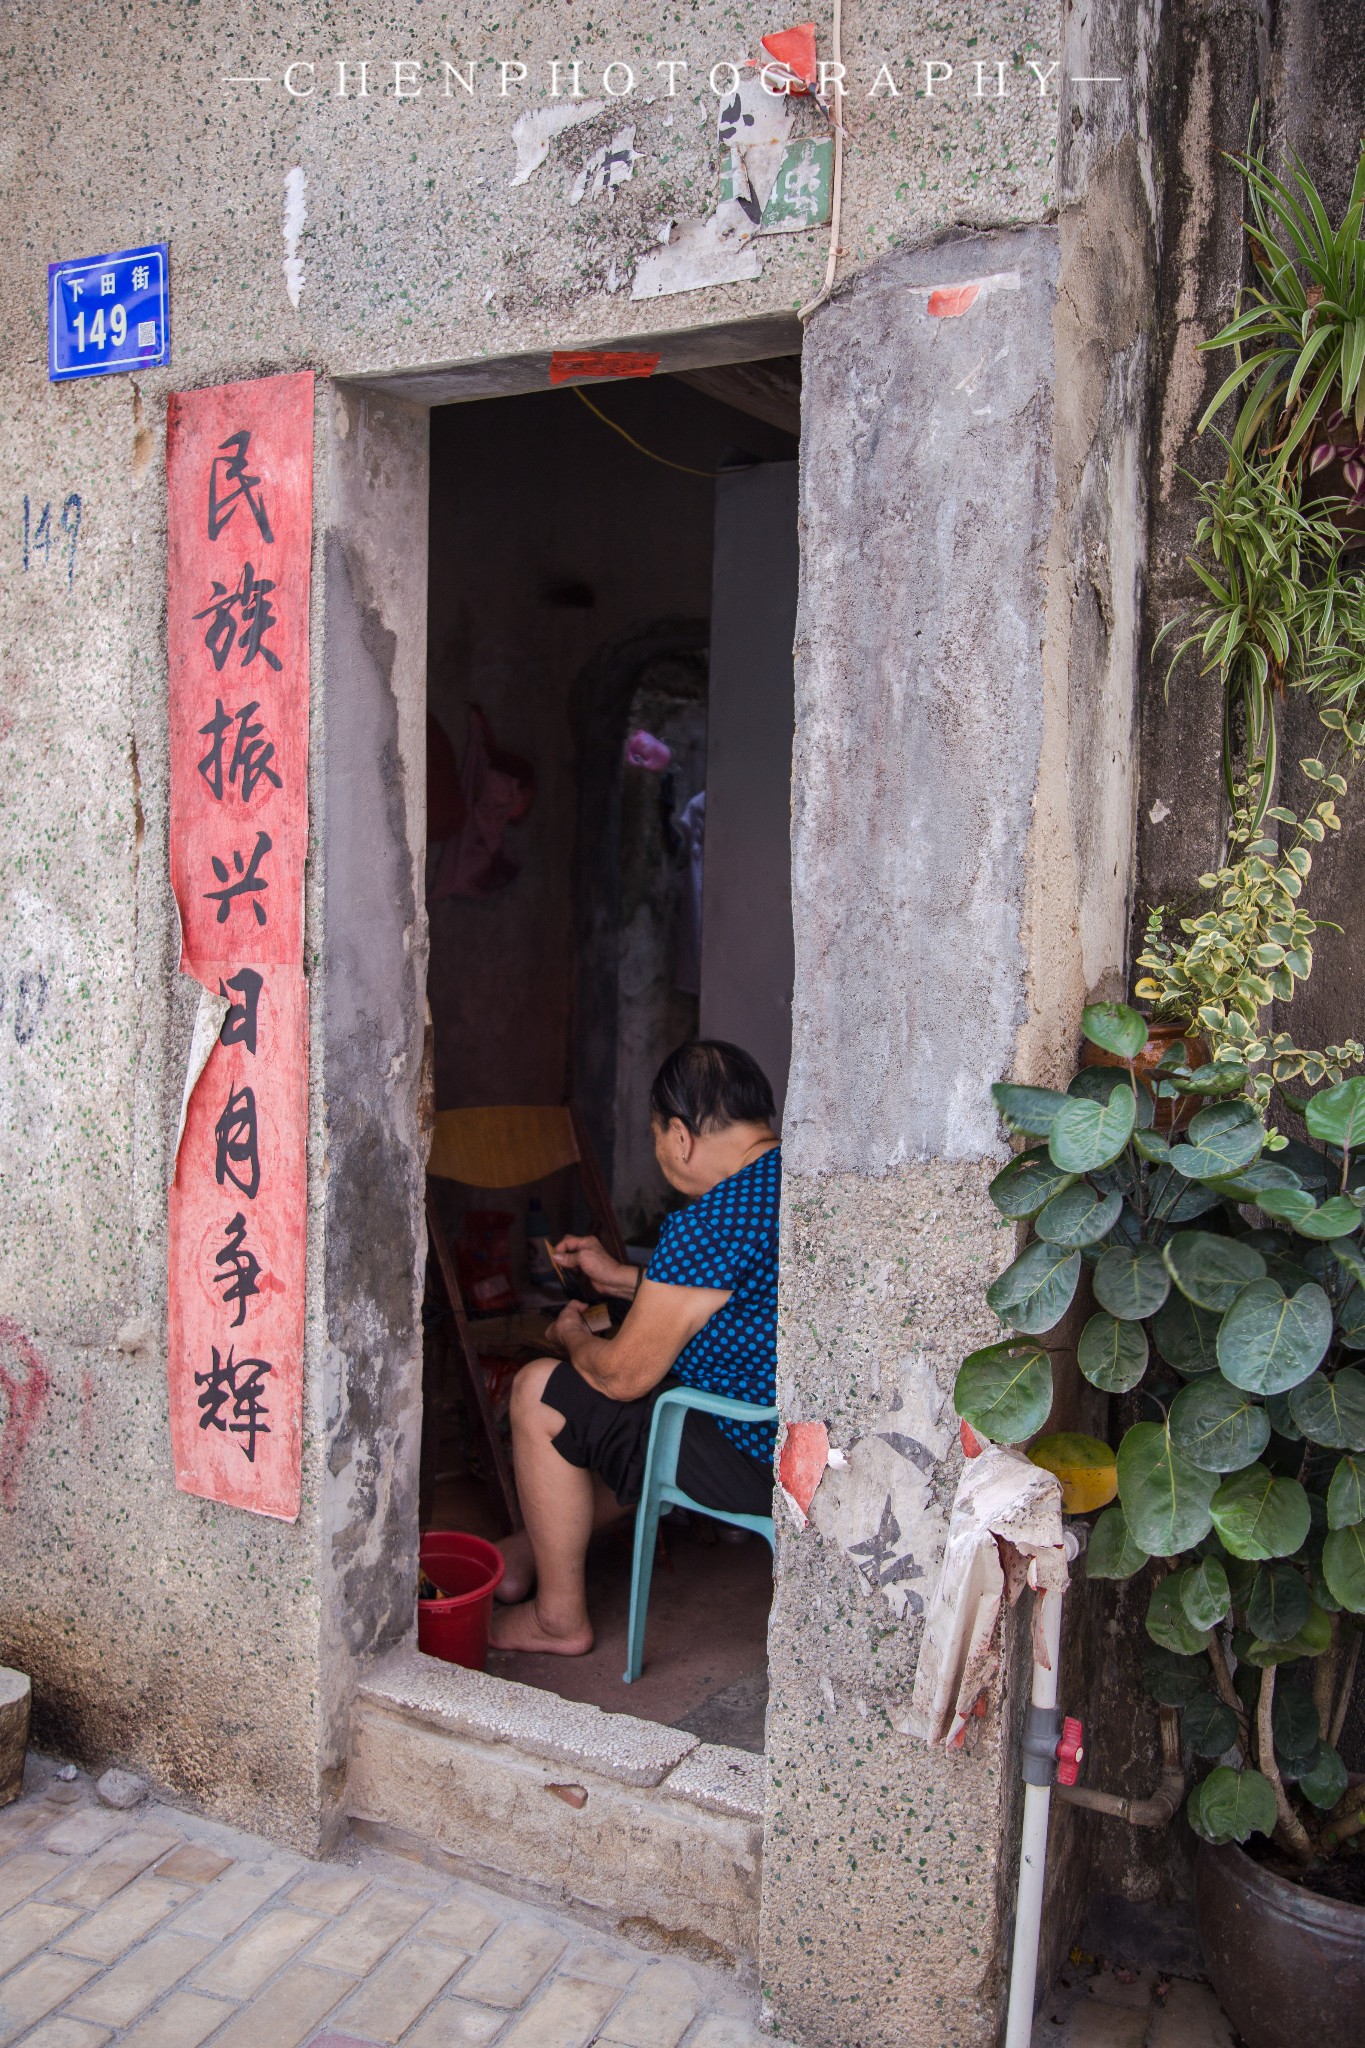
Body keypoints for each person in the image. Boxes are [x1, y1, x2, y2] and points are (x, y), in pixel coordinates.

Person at [490, 1039, 780, 1656]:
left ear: (680, 1136)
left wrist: (572, 1337)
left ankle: (557, 1621)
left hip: (750, 1455)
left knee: (542, 1392)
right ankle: (533, 1543)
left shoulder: (710, 1221)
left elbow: (622, 1378)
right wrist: (619, 1277)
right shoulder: (794, 1183)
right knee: (635, 1414)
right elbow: (733, 1292)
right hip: (792, 1434)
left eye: (655, 1136)